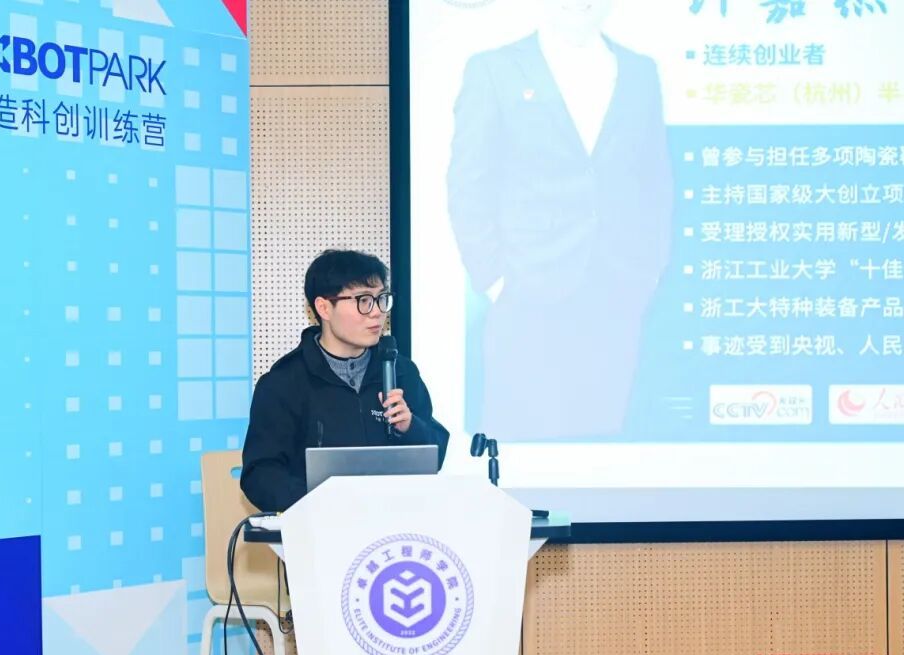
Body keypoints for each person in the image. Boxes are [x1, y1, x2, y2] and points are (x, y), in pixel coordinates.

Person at [446, 0, 673, 441]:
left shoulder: (639, 71)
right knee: (520, 438)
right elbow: (469, 182)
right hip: (527, 291)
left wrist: (647, 272)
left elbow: (655, 181)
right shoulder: (494, 68)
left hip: (616, 290)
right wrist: (494, 279)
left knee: (608, 439)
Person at [241, 250, 450, 512]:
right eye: (364, 300)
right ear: (324, 308)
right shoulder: (284, 383)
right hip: (318, 525)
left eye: (381, 299)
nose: (377, 312)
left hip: (394, 523)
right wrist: (320, 502)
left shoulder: (401, 372)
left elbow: (436, 455)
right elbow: (260, 475)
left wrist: (410, 428)